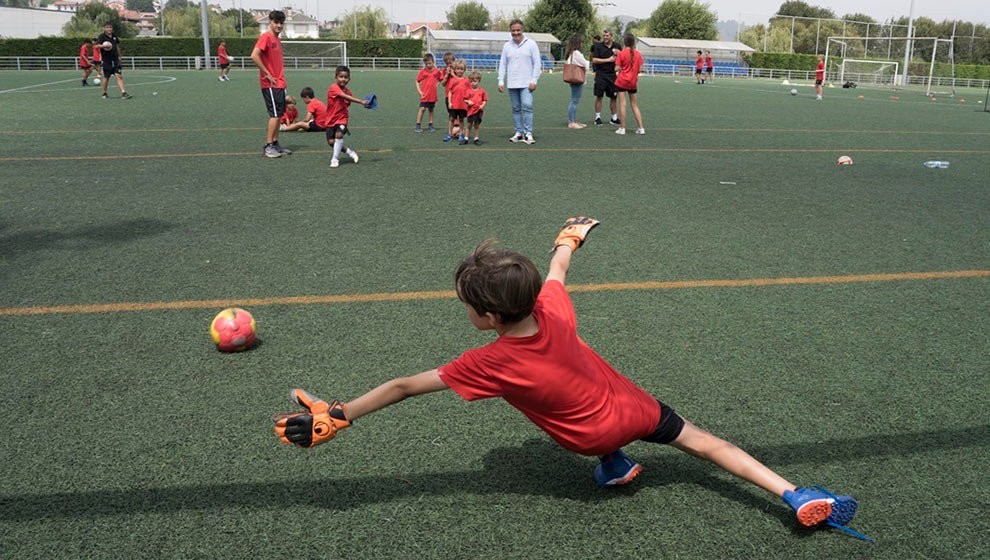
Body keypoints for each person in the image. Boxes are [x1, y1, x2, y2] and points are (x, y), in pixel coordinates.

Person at [273, 218, 864, 538]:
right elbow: (558, 266)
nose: (466, 310)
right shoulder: (552, 306)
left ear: (491, 316)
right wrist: (568, 237)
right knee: (707, 443)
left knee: (572, 426)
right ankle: (797, 493)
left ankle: (611, 461)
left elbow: (403, 387)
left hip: (581, 436)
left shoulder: (486, 363)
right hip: (632, 410)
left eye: (468, 304)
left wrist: (340, 413)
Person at [251, 10, 291, 158]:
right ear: (270, 22)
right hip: (270, 83)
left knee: (279, 114)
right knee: (274, 115)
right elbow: (254, 55)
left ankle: (275, 144)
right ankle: (268, 146)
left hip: (279, 83)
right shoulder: (266, 37)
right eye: (276, 22)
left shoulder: (277, 39)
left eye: (281, 23)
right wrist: (267, 74)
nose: (279, 25)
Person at [497, 19, 541, 144]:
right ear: (510, 31)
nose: (516, 33)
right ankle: (518, 133)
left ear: (522, 30)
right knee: (516, 108)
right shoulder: (507, 46)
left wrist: (534, 80)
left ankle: (528, 133)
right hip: (512, 83)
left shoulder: (531, 44)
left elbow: (537, 63)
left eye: (518, 30)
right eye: (513, 30)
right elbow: (503, 65)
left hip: (527, 83)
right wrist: (501, 81)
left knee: (527, 106)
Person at [324, 65, 370, 168]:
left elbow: (347, 102)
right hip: (331, 119)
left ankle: (334, 159)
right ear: (335, 77)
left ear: (349, 79)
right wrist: (361, 101)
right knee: (332, 142)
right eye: (341, 76)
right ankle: (350, 152)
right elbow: (345, 97)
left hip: (342, 118)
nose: (343, 79)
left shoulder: (348, 91)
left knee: (339, 136)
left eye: (346, 77)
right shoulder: (333, 88)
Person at [614, 34, 645, 136]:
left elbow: (616, 69)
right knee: (634, 105)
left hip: (622, 81)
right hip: (633, 82)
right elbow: (639, 70)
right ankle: (641, 128)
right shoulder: (638, 54)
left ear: (624, 42)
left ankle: (622, 128)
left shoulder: (621, 54)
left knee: (622, 104)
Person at [590, 29, 621, 126]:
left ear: (611, 36)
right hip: (601, 74)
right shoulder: (598, 46)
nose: (605, 37)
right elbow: (594, 60)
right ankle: (597, 117)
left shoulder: (617, 46)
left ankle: (614, 118)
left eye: (607, 35)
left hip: (612, 75)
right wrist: (608, 60)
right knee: (599, 96)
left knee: (614, 97)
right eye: (604, 35)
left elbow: (623, 58)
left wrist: (619, 53)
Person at [95, 23, 131, 99]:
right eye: (107, 27)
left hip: (115, 60)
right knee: (106, 77)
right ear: (104, 28)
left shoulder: (114, 36)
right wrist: (105, 46)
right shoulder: (101, 36)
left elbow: (117, 46)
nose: (109, 29)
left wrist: (119, 56)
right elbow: (97, 46)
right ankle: (104, 93)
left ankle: (123, 92)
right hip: (106, 60)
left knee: (119, 75)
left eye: (110, 27)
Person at [563, 34, 590, 129]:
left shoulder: (570, 53)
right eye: (581, 42)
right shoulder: (577, 53)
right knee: (574, 100)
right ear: (578, 43)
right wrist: (587, 61)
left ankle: (573, 120)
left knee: (574, 100)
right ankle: (571, 122)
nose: (582, 43)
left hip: (572, 79)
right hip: (577, 80)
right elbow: (585, 64)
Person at [415, 54, 443, 133]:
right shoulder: (422, 71)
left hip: (432, 95)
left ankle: (430, 124)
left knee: (431, 109)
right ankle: (418, 125)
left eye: (430, 63)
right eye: (426, 64)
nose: (428, 65)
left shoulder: (437, 71)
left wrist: (438, 83)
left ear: (433, 62)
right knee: (422, 109)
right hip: (424, 95)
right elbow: (417, 81)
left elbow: (441, 79)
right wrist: (419, 91)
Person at [446, 60, 470, 145]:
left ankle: (461, 134)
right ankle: (449, 134)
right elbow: (450, 92)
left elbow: (469, 92)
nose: (459, 71)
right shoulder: (452, 80)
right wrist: (449, 102)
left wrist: (469, 101)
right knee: (452, 119)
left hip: (462, 105)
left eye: (461, 69)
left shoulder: (467, 80)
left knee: (461, 120)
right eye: (458, 69)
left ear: (464, 70)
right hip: (454, 104)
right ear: (455, 70)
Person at [464, 71, 488, 145]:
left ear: (479, 81)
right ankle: (466, 138)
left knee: (476, 125)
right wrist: (468, 101)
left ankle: (476, 138)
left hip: (478, 111)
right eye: (471, 81)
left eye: (475, 81)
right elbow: (464, 99)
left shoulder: (482, 91)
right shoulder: (468, 91)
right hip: (471, 111)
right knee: (469, 125)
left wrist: (482, 105)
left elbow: (485, 100)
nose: (473, 83)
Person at [439, 52, 457, 140]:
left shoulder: (458, 70)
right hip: (448, 95)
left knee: (456, 113)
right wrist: (446, 75)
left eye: (451, 62)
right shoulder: (443, 71)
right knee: (450, 113)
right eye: (447, 63)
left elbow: (460, 80)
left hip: (457, 95)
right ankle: (453, 129)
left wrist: (453, 73)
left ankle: (457, 128)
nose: (449, 64)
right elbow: (442, 83)